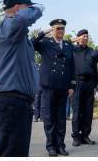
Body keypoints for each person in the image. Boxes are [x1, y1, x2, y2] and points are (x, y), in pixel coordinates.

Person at [0, 0, 44, 156]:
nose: (31, 10)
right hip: (9, 102)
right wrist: (38, 8)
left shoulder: (18, 34)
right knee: (11, 154)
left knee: (17, 153)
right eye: (29, 7)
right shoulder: (8, 26)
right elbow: (21, 19)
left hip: (18, 103)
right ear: (18, 7)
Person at [33, 19, 75, 156]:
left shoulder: (68, 45)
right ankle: (51, 146)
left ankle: (60, 145)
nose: (60, 31)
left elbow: (71, 66)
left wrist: (72, 85)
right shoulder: (45, 43)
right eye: (57, 28)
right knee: (50, 117)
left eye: (62, 28)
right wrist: (43, 32)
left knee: (61, 118)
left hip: (63, 86)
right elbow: (30, 43)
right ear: (52, 30)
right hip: (49, 85)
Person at [71, 29, 97, 146]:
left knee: (88, 111)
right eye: (83, 36)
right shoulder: (72, 50)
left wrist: (95, 85)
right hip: (77, 83)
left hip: (89, 83)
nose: (85, 38)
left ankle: (85, 135)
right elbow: (65, 43)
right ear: (78, 38)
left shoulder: (91, 51)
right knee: (77, 111)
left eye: (87, 36)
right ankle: (76, 136)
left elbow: (95, 69)